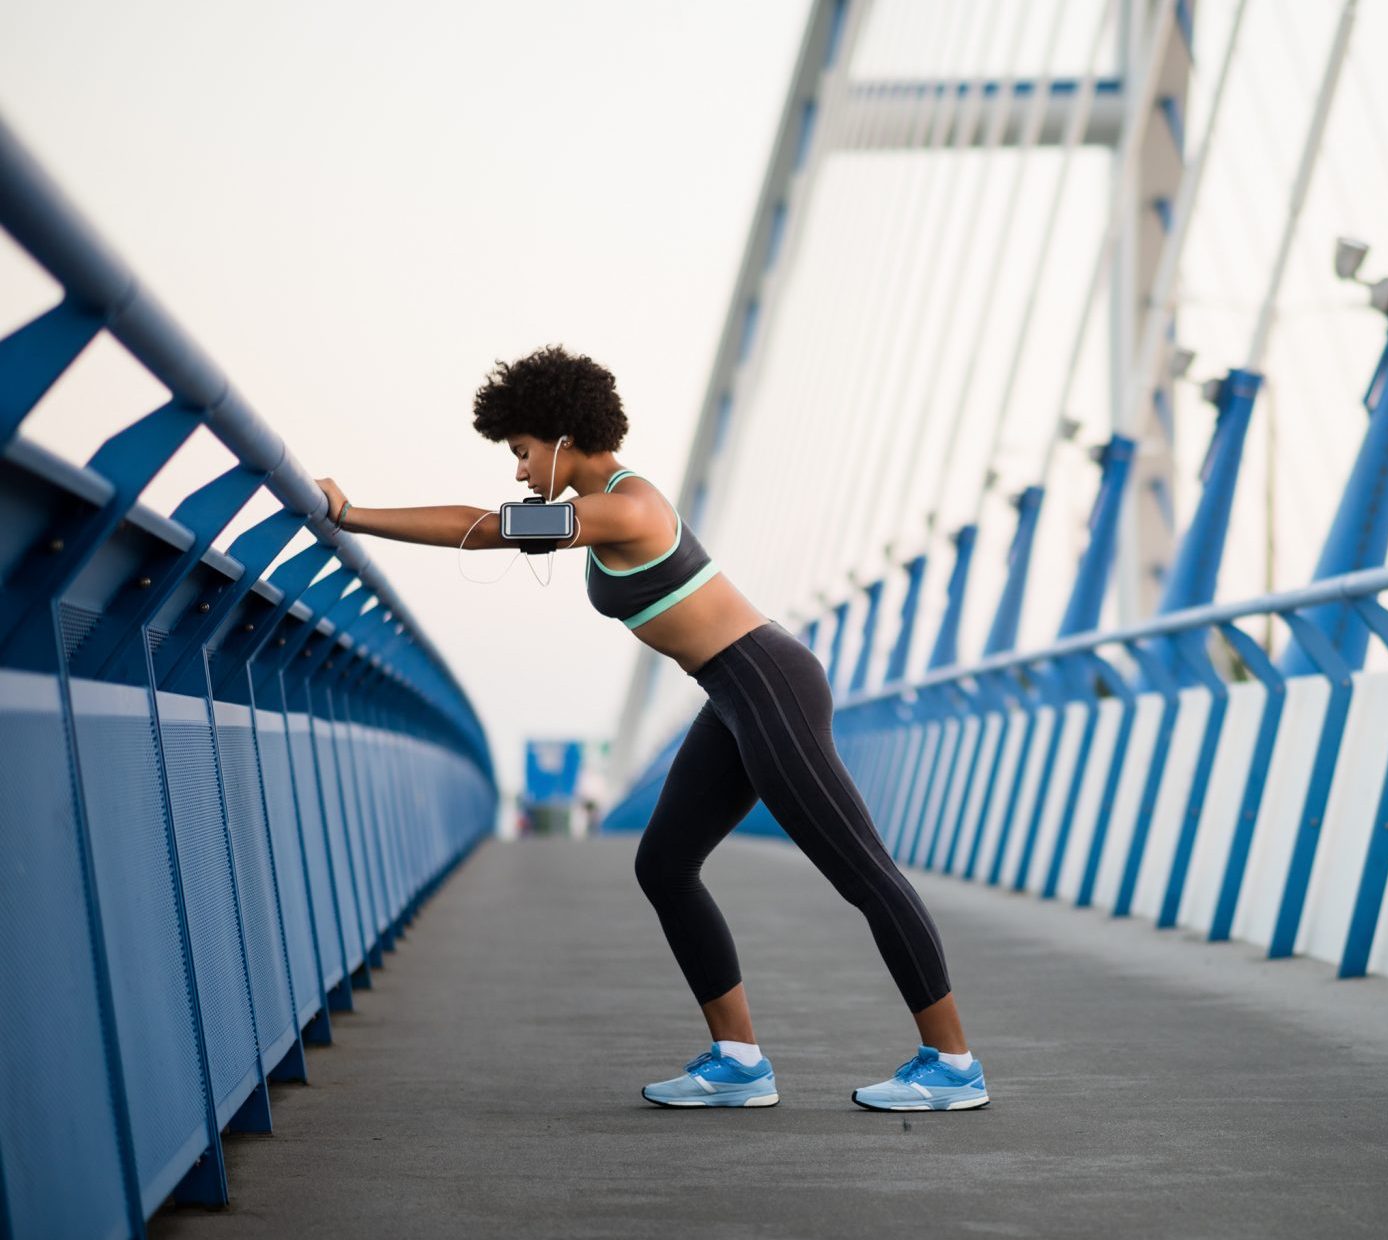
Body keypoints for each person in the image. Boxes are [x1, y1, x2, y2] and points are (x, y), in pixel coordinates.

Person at [316, 344, 988, 1112]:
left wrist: (352, 513)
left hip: (767, 684)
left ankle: (954, 1062)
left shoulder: (624, 507)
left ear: (562, 436)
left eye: (522, 451)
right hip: (731, 691)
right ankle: (738, 1061)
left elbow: (482, 525)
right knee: (664, 865)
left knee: (862, 871)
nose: (519, 470)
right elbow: (495, 519)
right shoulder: (605, 505)